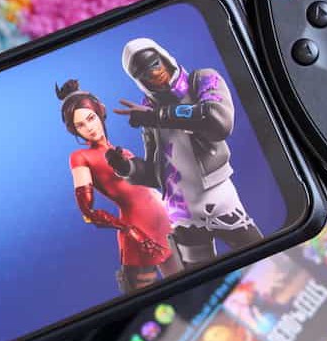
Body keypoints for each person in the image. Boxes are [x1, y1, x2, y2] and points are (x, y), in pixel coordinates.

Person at [107, 38, 263, 270]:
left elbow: (219, 121)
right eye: (145, 73)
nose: (154, 73)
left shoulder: (202, 80)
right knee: (203, 279)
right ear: (140, 81)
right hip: (181, 214)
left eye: (155, 64)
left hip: (217, 198)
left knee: (263, 257)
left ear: (164, 57)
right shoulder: (148, 108)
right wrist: (126, 167)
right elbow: (156, 173)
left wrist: (158, 116)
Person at [55, 79, 181, 294]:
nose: (89, 128)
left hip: (165, 219)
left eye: (90, 118)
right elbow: (87, 211)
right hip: (138, 232)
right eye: (80, 125)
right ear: (74, 130)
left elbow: (151, 180)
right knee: (149, 302)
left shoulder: (117, 150)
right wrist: (127, 229)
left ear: (100, 112)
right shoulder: (80, 157)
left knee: (191, 285)